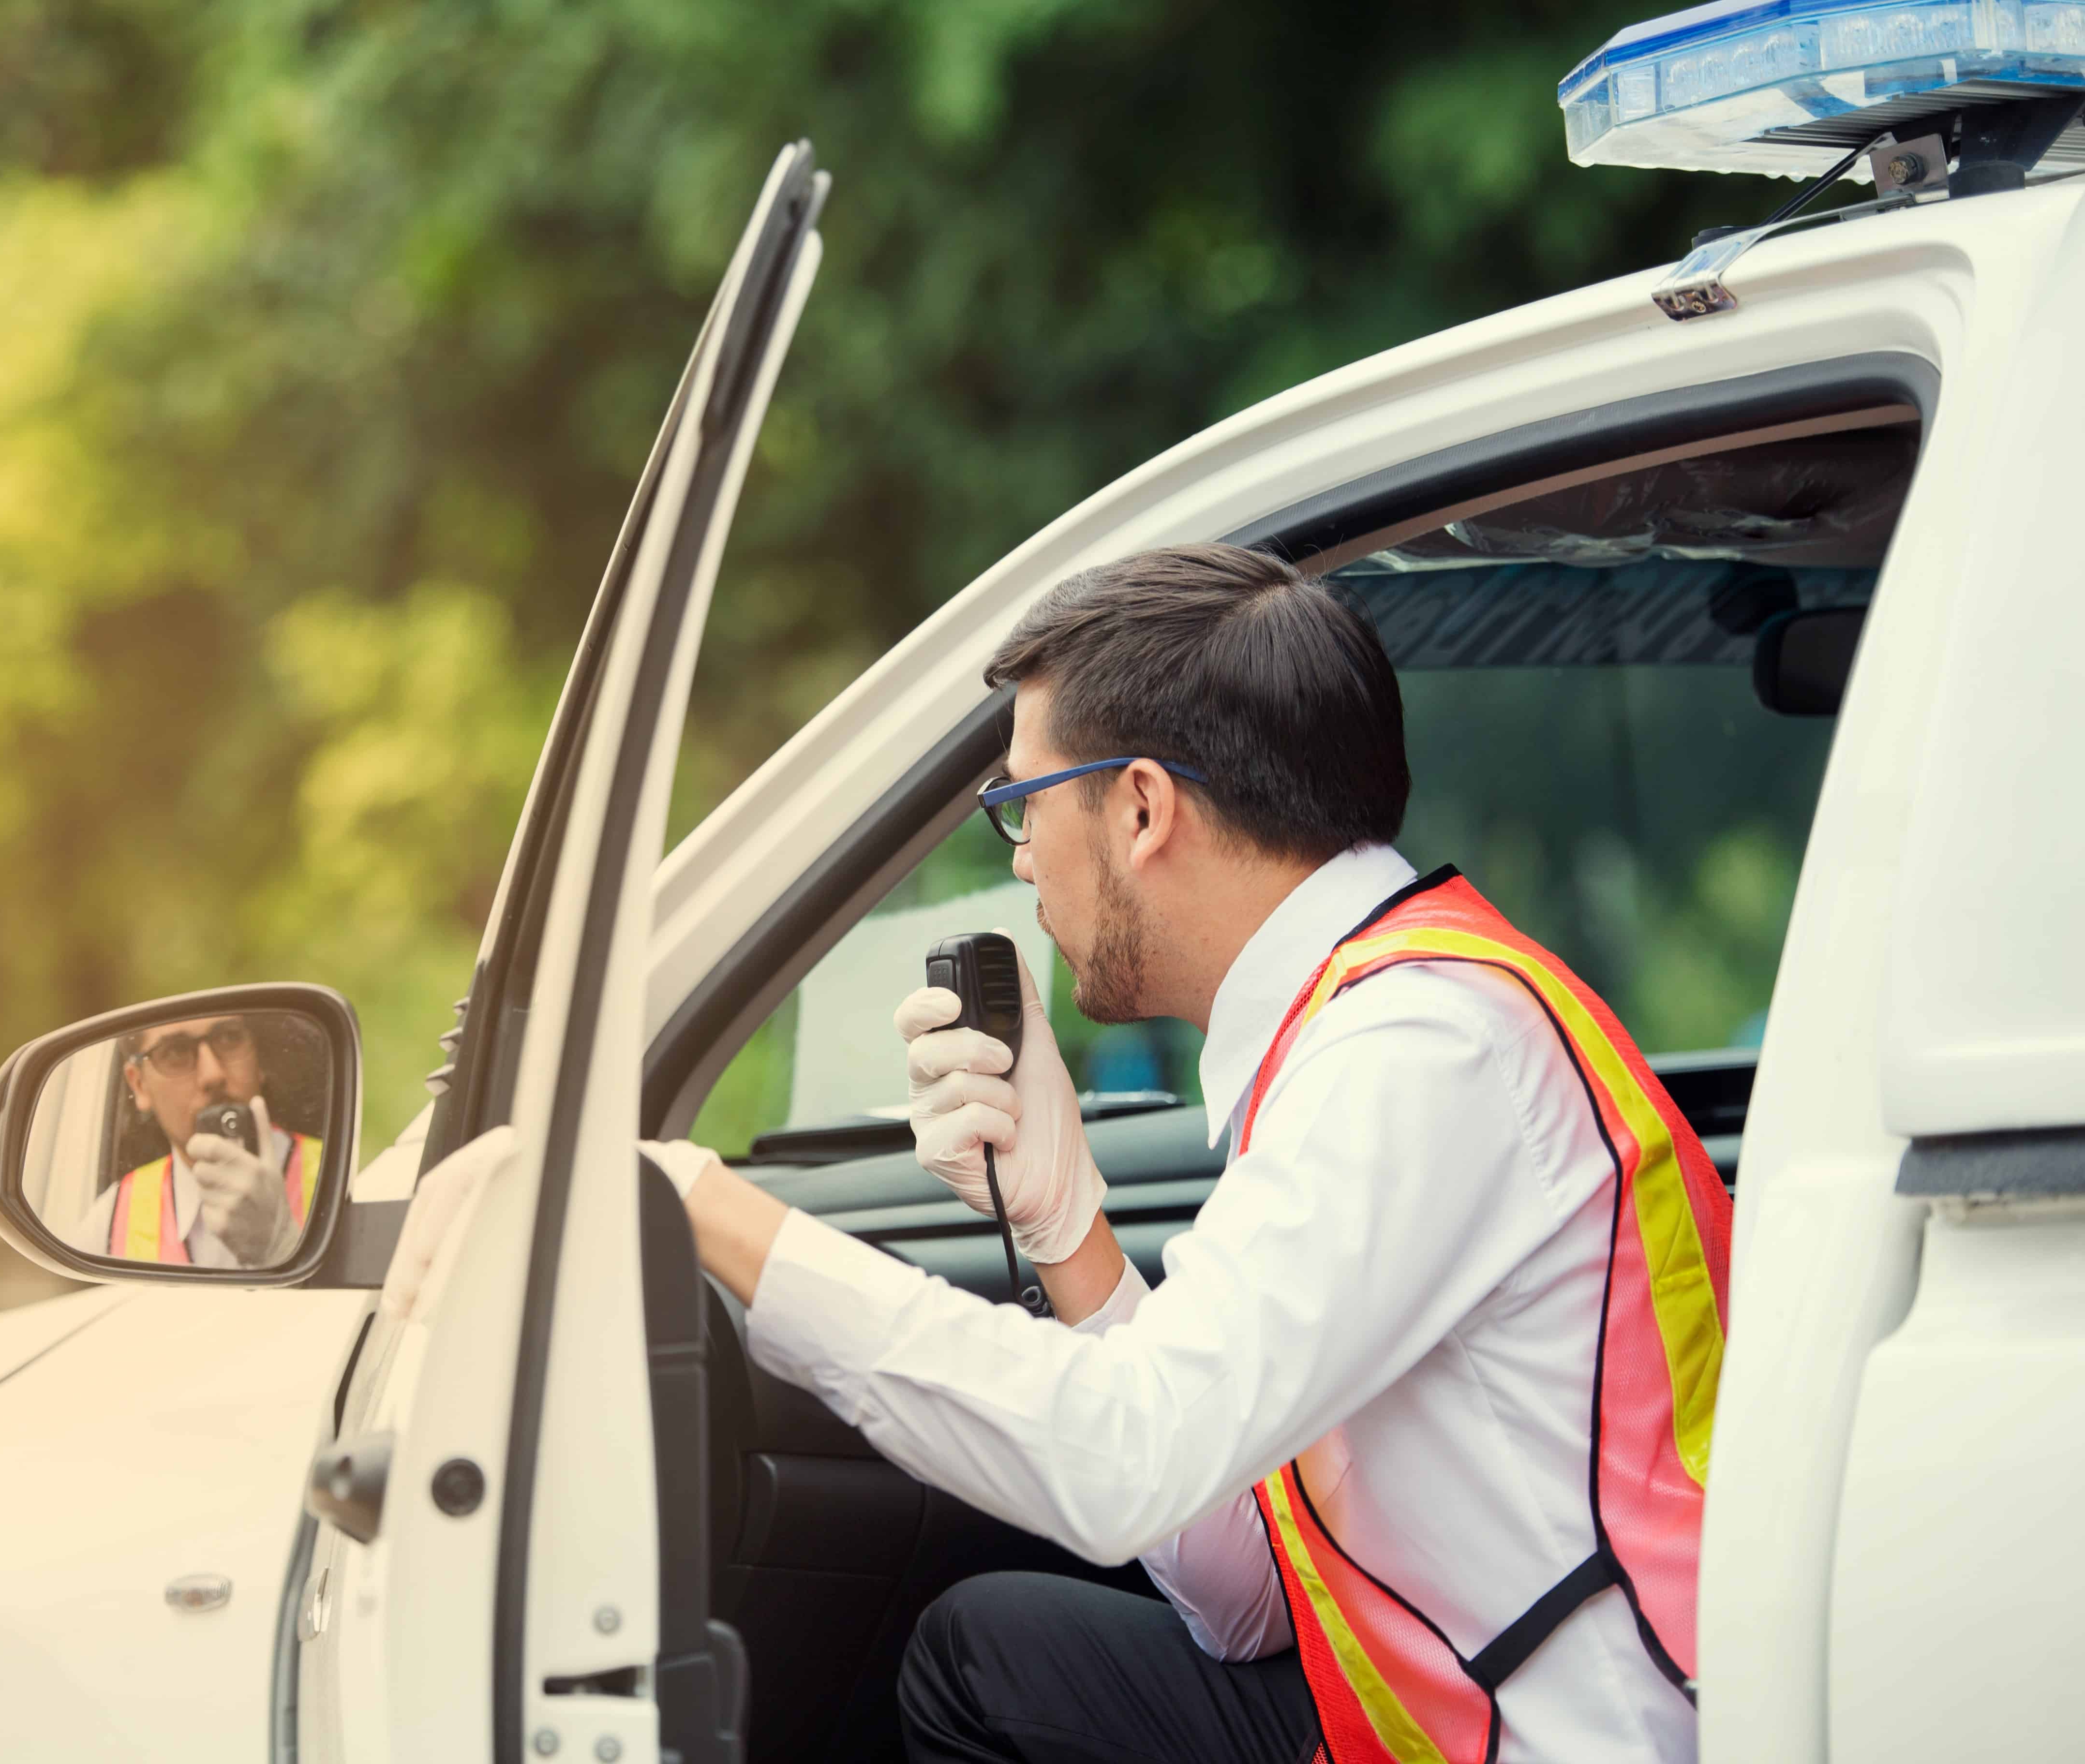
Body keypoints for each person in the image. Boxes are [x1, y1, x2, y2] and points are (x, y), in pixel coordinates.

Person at [638, 544, 1732, 1764]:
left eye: (1021, 806)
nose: (1017, 857)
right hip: (1444, 1716)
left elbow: (1127, 1460)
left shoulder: (1417, 1050)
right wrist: (1068, 1232)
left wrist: (706, 1213)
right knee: (989, 1649)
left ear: (1142, 808)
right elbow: (1248, 1602)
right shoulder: (1363, 1022)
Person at [64, 1013, 322, 1267]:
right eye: (176, 1052)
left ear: (259, 1060)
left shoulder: (336, 1172)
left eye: (230, 1038)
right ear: (140, 1085)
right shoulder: (108, 1220)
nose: (213, 1075)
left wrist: (282, 1247)